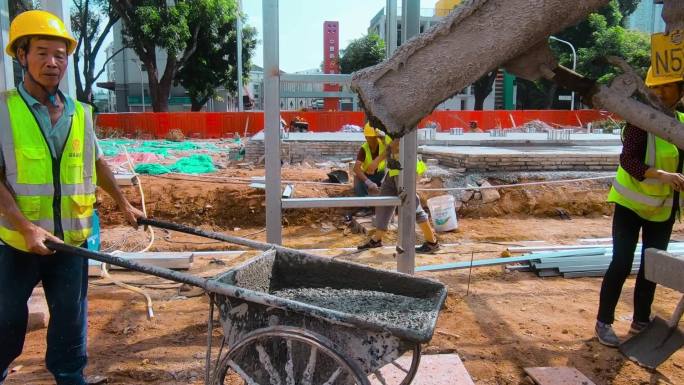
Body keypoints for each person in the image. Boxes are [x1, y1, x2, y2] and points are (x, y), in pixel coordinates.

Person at [0, 10, 145, 385]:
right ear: (21, 56)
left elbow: (96, 163)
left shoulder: (80, 112)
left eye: (60, 55)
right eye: (42, 52)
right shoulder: (3, 111)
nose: (52, 63)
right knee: (5, 321)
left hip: (70, 245)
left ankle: (69, 376)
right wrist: (25, 228)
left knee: (69, 320)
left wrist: (124, 203)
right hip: (16, 243)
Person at [595, 67, 684, 347]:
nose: (660, 92)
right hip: (630, 206)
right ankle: (603, 321)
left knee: (651, 267)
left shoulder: (682, 123)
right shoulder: (641, 121)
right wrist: (662, 175)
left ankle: (641, 321)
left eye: (668, 86)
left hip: (663, 209)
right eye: (656, 87)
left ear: (680, 92)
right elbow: (628, 161)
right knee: (621, 262)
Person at [357, 138, 440, 253]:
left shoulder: (397, 125)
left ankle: (432, 243)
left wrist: (376, 161)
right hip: (393, 171)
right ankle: (376, 240)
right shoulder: (388, 128)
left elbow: (395, 144)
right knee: (383, 204)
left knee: (412, 206)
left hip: (405, 170)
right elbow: (390, 146)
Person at [352, 123, 392, 216]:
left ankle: (389, 207)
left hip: (380, 175)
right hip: (367, 175)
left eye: (374, 137)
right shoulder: (364, 149)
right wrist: (368, 182)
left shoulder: (383, 145)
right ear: (366, 137)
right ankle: (365, 208)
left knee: (391, 182)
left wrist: (383, 137)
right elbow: (356, 169)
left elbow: (393, 145)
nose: (372, 140)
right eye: (370, 138)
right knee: (358, 181)